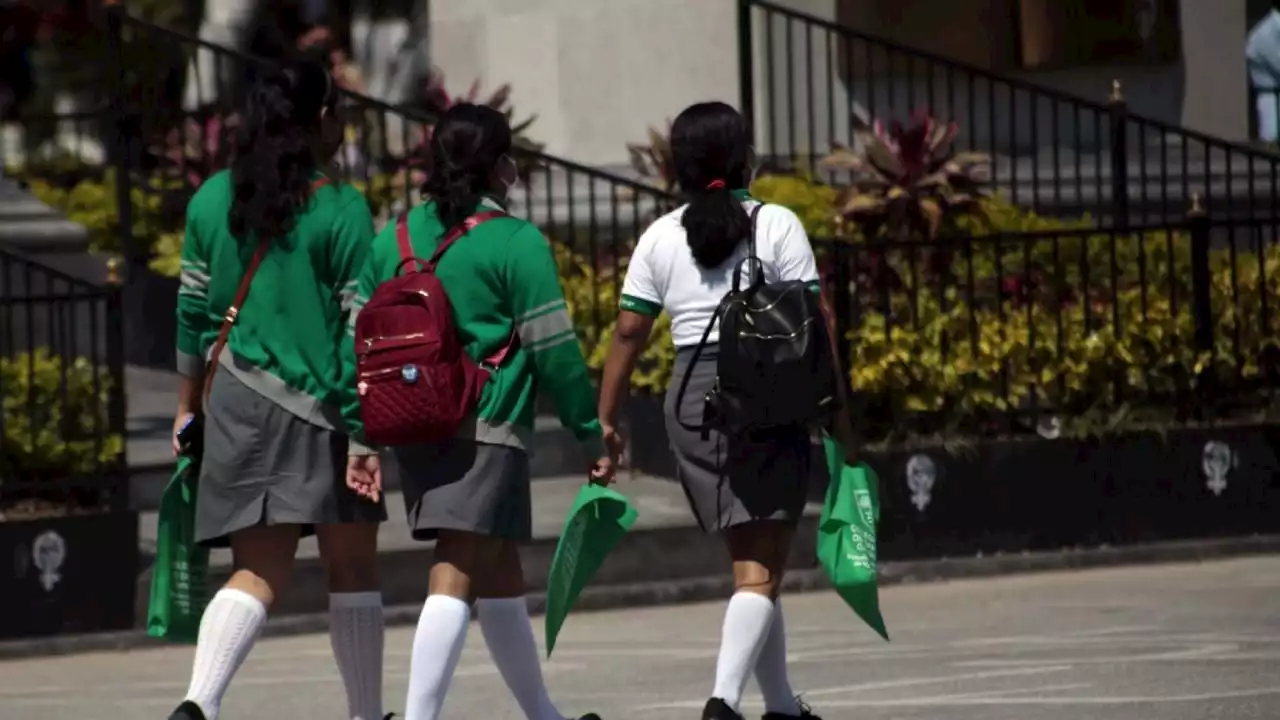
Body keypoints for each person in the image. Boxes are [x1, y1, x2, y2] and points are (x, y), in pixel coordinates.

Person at [342, 102, 612, 720]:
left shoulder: (395, 238)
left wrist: (362, 435)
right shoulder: (515, 242)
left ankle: (543, 713)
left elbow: (353, 340)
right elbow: (556, 351)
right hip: (487, 422)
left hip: (412, 421)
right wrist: (589, 435)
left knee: (498, 569)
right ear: (502, 167)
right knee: (458, 567)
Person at [596, 101, 833, 720]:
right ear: (742, 155)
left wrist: (606, 419)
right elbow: (816, 321)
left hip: (691, 405)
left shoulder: (659, 236)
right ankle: (722, 705)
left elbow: (627, 332)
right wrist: (842, 415)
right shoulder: (776, 223)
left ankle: (780, 705)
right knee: (764, 564)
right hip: (764, 395)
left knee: (751, 563)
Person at [170, 56, 387, 720]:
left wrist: (185, 408)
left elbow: (191, 314)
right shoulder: (341, 207)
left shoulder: (210, 198)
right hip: (319, 409)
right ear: (321, 120)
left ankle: (197, 704)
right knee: (351, 569)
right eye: (340, 112)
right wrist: (363, 434)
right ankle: (364, 714)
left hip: (232, 396)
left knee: (256, 572)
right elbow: (362, 328)